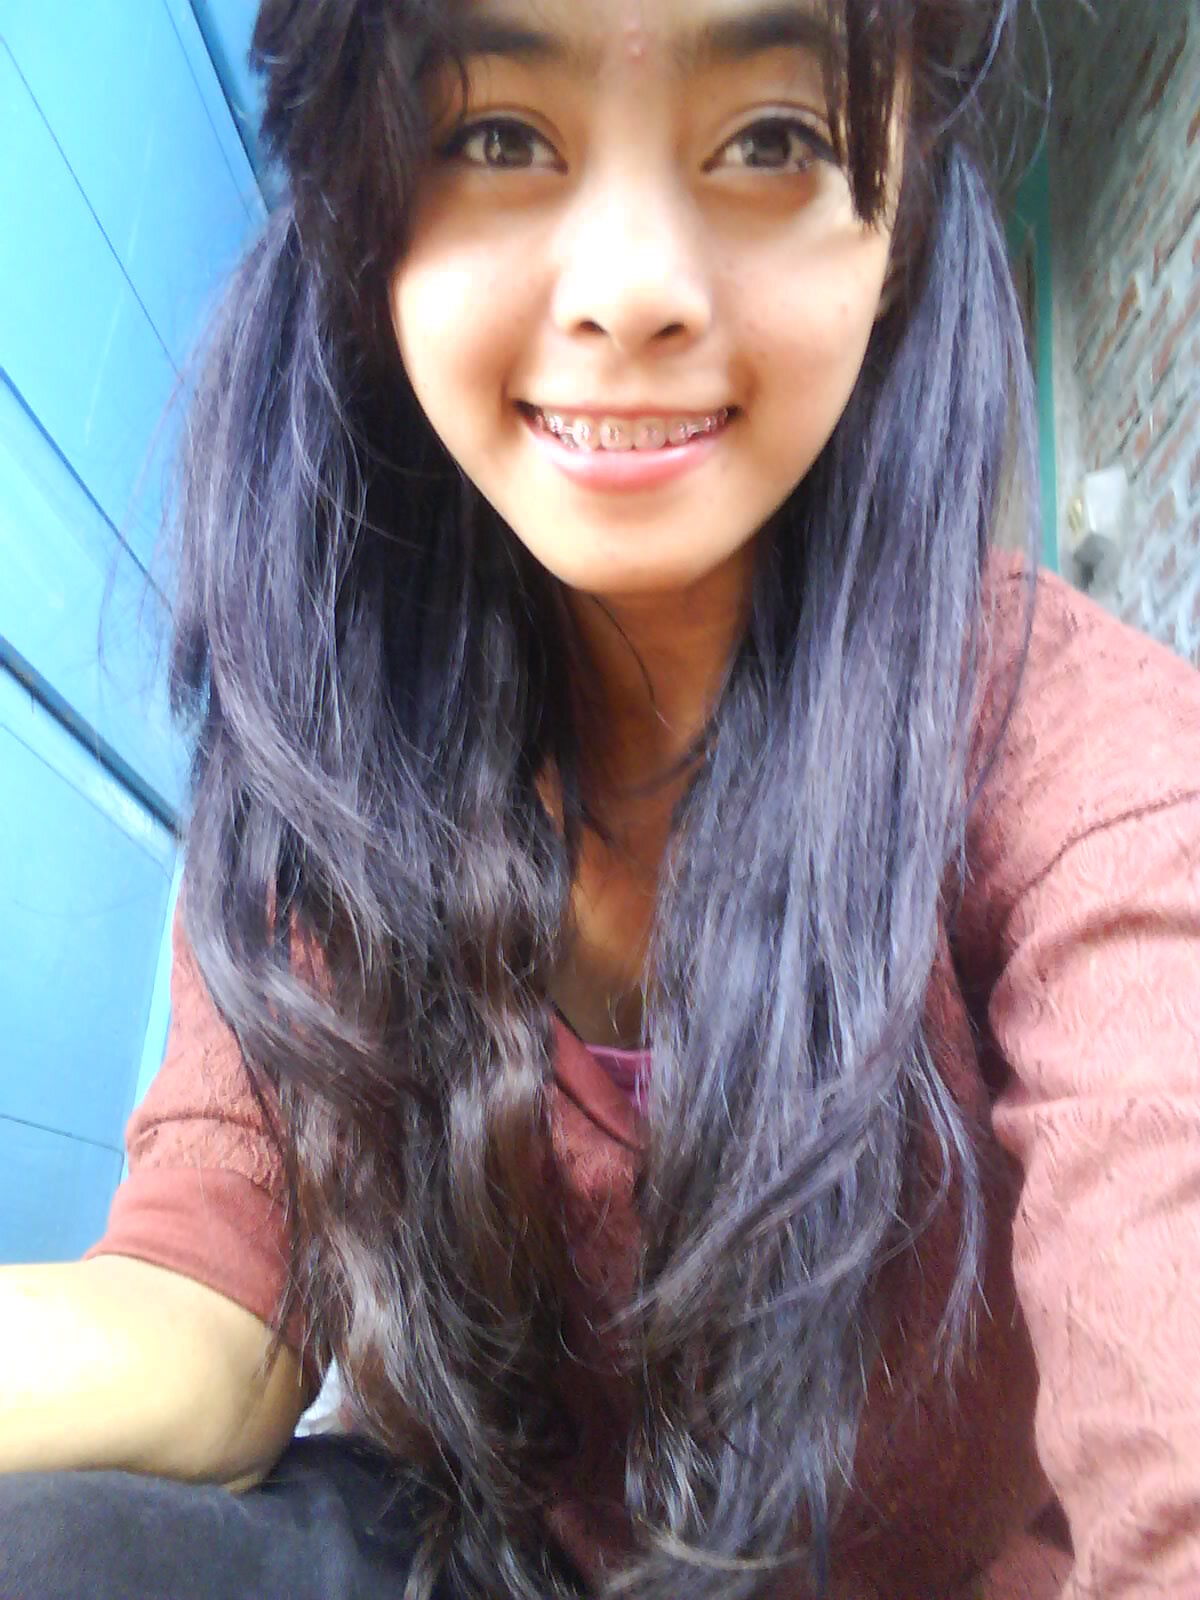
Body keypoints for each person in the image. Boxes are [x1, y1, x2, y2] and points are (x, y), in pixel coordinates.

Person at [1, 0, 1198, 1596]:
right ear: (363, 189)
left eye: (772, 137)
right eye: (499, 133)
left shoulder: (1081, 765)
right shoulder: (340, 729)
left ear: (903, 202)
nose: (633, 290)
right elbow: (209, 1313)